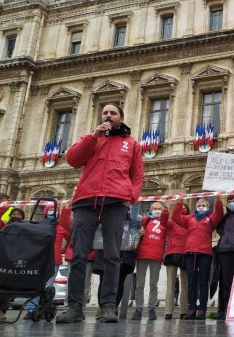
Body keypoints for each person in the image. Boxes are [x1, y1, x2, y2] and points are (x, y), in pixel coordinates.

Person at [56, 103, 144, 324]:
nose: (108, 115)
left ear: (121, 119)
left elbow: (138, 175)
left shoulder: (131, 144)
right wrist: (92, 136)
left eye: (112, 113)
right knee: (78, 255)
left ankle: (107, 307)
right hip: (86, 200)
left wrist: (129, 198)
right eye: (104, 113)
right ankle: (75, 306)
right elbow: (73, 160)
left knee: (113, 256)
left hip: (116, 201)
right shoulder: (92, 139)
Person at [172, 197, 224, 320]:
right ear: (196, 207)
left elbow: (220, 214)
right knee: (191, 282)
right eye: (199, 205)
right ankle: (191, 309)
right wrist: (179, 202)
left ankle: (202, 309)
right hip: (190, 253)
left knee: (203, 282)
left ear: (207, 206)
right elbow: (175, 218)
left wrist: (218, 200)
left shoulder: (210, 218)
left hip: (205, 253)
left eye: (203, 205)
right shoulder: (189, 218)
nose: (201, 207)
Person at [131, 202, 169, 321]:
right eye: (154, 208)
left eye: (159, 209)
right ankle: (138, 309)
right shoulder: (144, 220)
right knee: (139, 285)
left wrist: (164, 255)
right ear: (150, 209)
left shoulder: (165, 222)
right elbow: (133, 225)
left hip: (156, 256)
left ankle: (152, 309)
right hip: (142, 254)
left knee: (153, 285)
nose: (157, 210)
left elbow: (167, 241)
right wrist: (139, 232)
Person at [163, 203, 189, 320]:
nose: (182, 209)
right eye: (181, 208)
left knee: (185, 285)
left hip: (186, 254)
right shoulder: (172, 222)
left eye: (185, 208)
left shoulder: (190, 221)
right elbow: (163, 221)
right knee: (170, 285)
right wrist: (165, 210)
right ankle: (168, 311)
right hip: (173, 254)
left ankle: (184, 311)